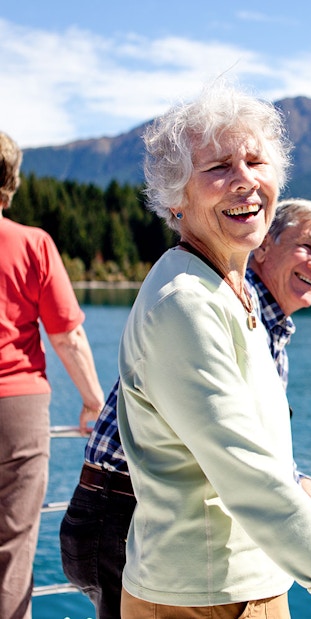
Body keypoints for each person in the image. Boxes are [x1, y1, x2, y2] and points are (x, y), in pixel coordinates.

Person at [116, 83, 311, 618]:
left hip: (241, 583)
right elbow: (245, 472)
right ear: (177, 197)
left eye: (255, 161)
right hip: (205, 598)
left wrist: (296, 481)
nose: (245, 180)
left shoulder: (231, 287)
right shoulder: (185, 302)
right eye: (219, 167)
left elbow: (252, 447)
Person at [59, 197, 311, 619]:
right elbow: (229, 448)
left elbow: (237, 434)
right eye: (307, 247)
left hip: (135, 511)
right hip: (124, 512)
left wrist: (297, 480)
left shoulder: (262, 321)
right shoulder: (219, 303)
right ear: (265, 244)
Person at [0, 131, 105, 619]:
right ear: (12, 182)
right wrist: (93, 402)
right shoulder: (31, 244)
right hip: (14, 410)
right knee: (11, 545)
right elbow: (67, 336)